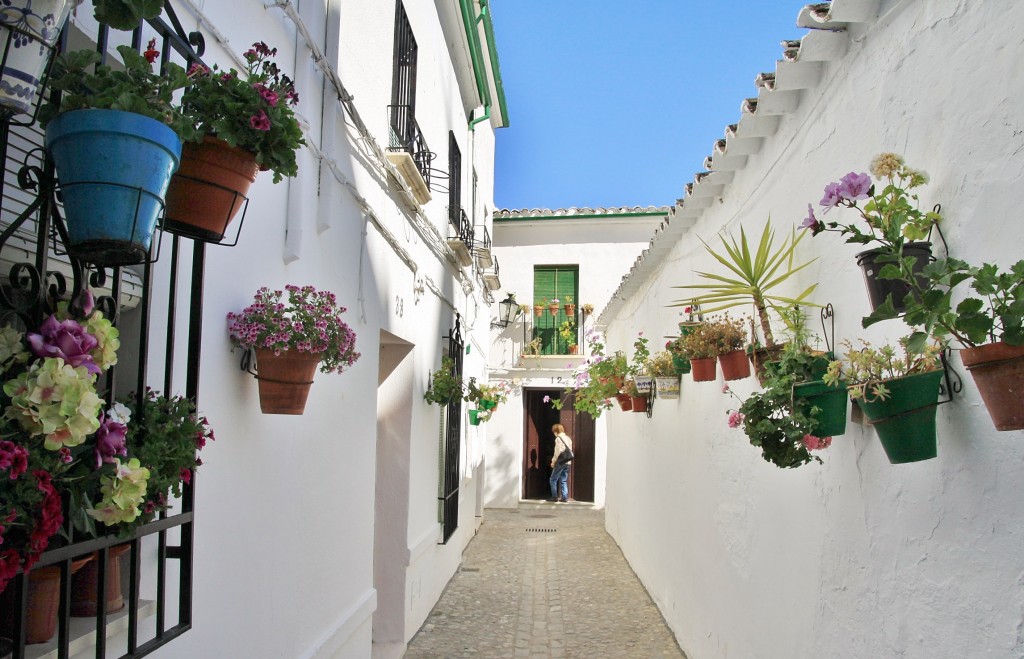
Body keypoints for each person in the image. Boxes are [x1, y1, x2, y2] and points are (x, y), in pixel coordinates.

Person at [547, 423, 573, 503]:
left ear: (556, 431)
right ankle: (564, 497)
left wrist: (553, 462)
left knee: (553, 479)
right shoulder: (568, 438)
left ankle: (554, 497)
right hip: (567, 462)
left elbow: (557, 451)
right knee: (563, 480)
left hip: (560, 462)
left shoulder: (558, 438)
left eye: (553, 431)